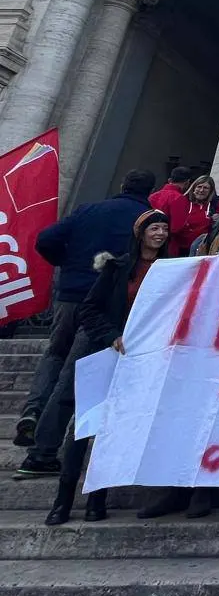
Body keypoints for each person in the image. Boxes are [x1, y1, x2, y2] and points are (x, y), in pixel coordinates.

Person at [45, 209, 172, 526]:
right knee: (82, 429)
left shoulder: (170, 271)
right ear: (140, 233)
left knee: (111, 431)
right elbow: (89, 309)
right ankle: (62, 500)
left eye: (164, 229)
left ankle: (96, 499)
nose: (160, 234)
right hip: (104, 353)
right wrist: (112, 336)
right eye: (154, 228)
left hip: (140, 360)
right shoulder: (116, 267)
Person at [13, 169, 155, 453]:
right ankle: (44, 447)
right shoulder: (147, 220)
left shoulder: (89, 210)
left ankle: (33, 410)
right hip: (106, 303)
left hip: (72, 294)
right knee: (73, 370)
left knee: (55, 353)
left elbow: (46, 239)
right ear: (150, 191)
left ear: (122, 183)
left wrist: (67, 262)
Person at [149, 167, 195, 258]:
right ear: (187, 182)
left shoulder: (153, 196)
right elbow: (177, 227)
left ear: (170, 180)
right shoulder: (179, 198)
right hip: (167, 245)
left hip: (149, 241)